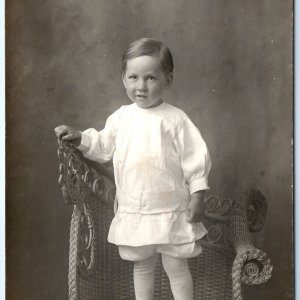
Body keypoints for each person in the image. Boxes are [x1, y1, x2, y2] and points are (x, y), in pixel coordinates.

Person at [55, 38, 211, 300]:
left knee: (176, 265)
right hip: (136, 207)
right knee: (142, 264)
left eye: (151, 78)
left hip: (171, 207)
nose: (141, 86)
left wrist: (198, 194)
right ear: (124, 79)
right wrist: (80, 137)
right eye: (134, 77)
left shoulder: (175, 119)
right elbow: (103, 145)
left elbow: (194, 158)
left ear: (167, 81)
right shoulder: (121, 118)